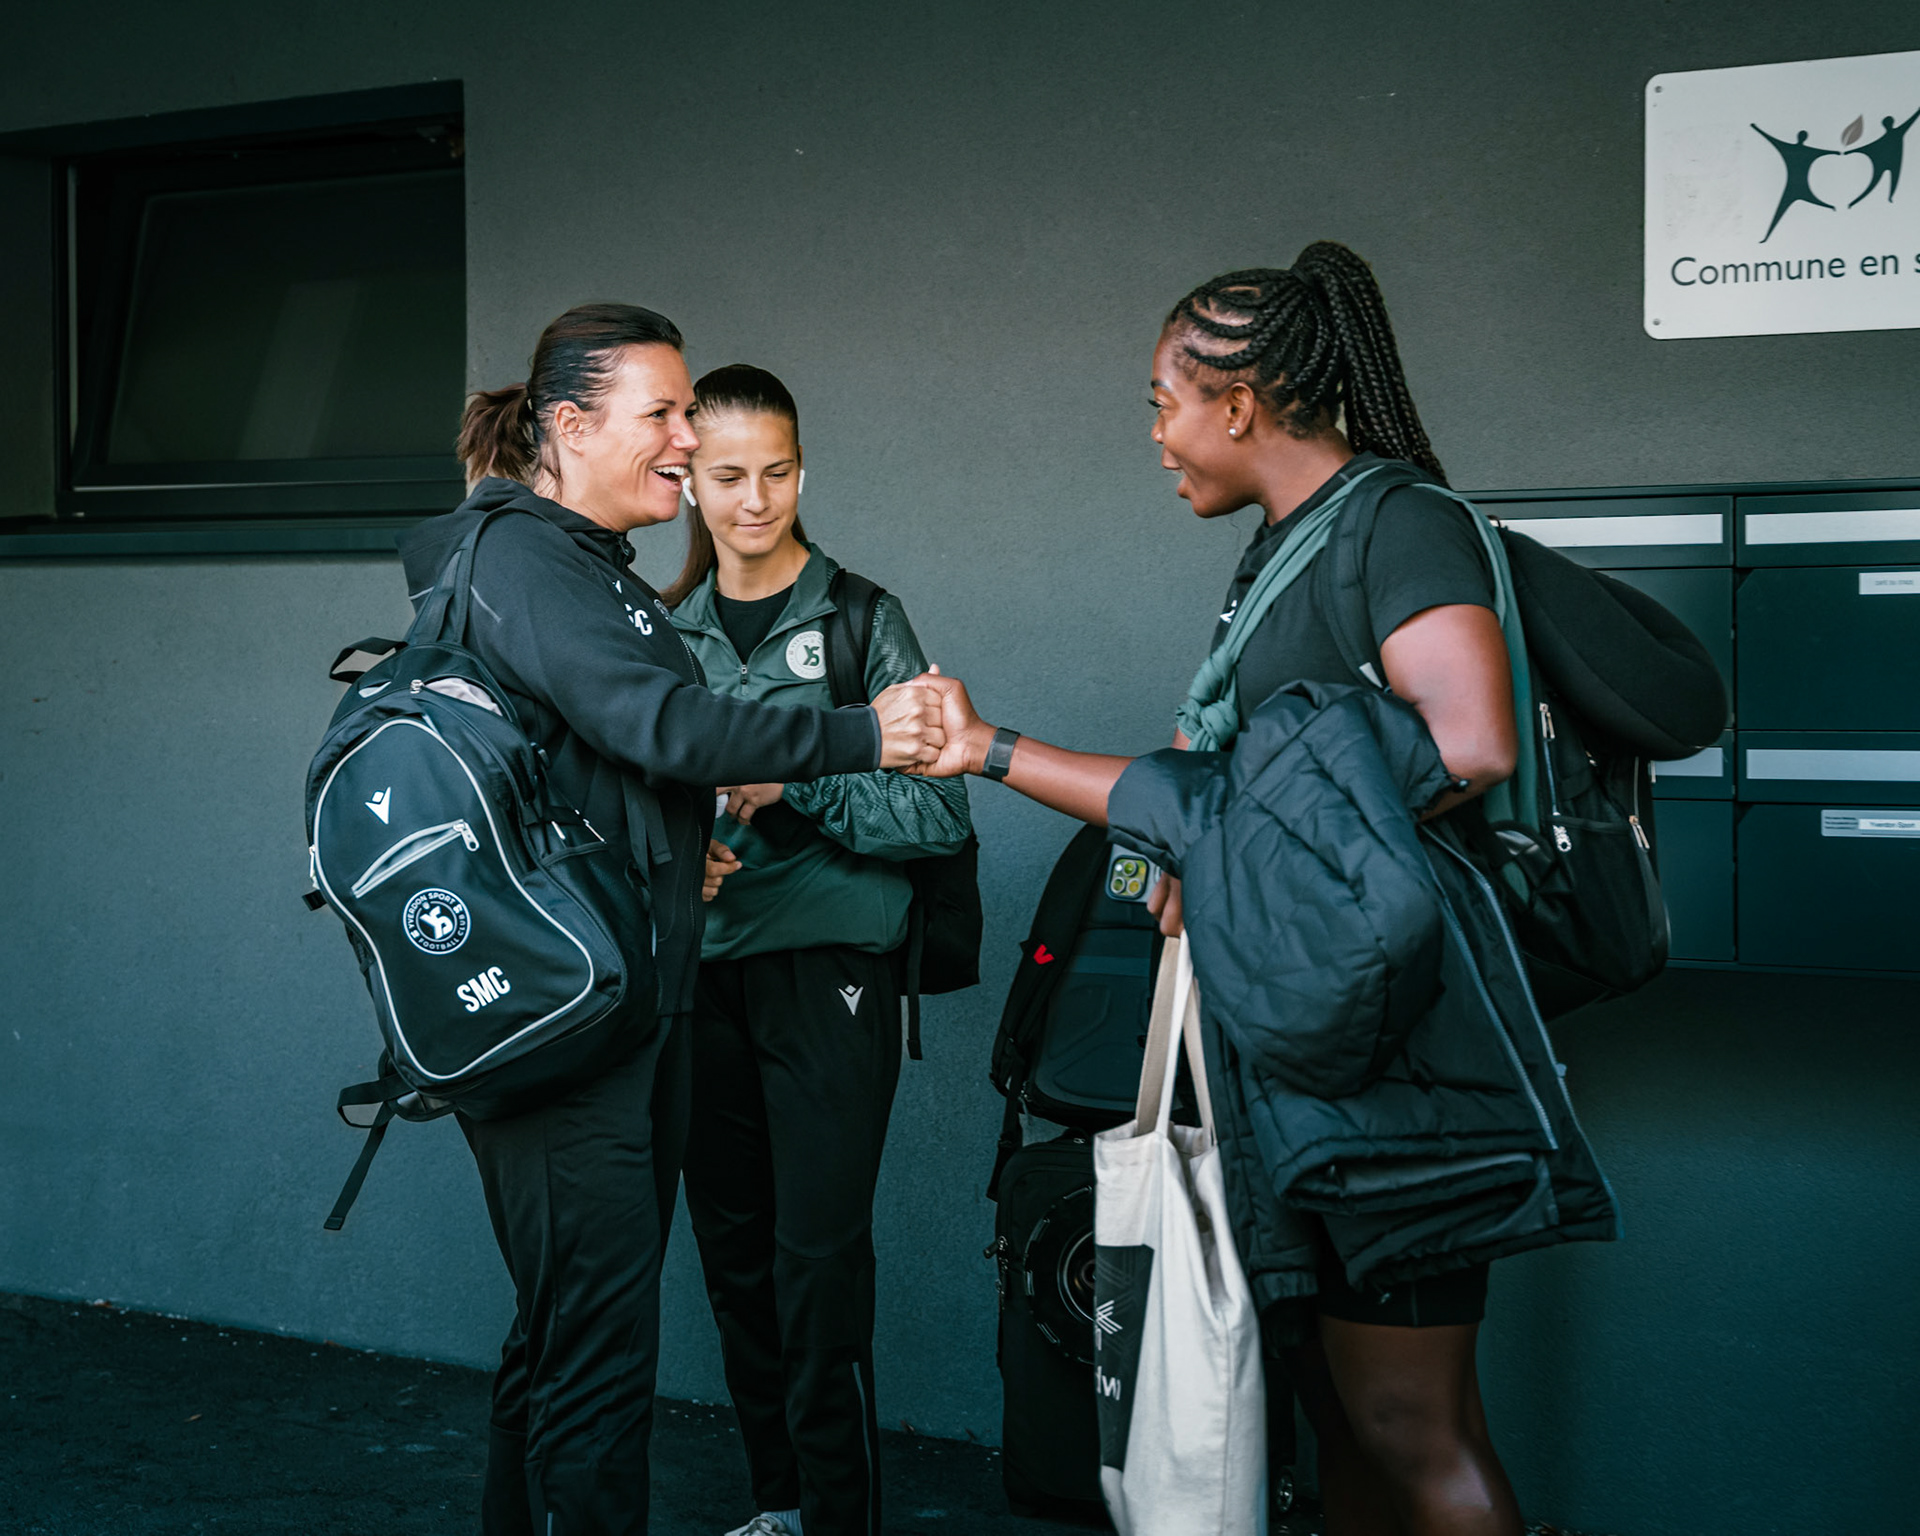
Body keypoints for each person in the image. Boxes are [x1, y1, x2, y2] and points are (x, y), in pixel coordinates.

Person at [913, 245, 1540, 1536]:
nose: (1156, 436)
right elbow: (1226, 793)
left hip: (1404, 1045)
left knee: (1412, 1425)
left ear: (1240, 404)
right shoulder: (1287, 547)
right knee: (1340, 1410)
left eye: (1163, 402)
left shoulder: (1397, 523)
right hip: (1310, 1037)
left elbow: (1472, 743)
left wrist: (1005, 753)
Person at [409, 304, 943, 1536]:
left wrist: (695, 849)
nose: (689, 445)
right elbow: (666, 732)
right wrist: (859, 738)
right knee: (601, 1357)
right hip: (590, 1032)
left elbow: (593, 782)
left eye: (699, 423)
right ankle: (765, 1503)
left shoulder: (595, 577)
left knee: (608, 1335)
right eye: (668, 419)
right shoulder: (537, 568)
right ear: (570, 424)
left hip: (690, 1004)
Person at [661, 365, 972, 1536]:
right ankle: (778, 1507)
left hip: (834, 973)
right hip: (701, 979)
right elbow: (631, 808)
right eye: (728, 476)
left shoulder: (860, 619)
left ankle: (841, 1518)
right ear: (686, 480)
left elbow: (940, 816)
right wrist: (688, 840)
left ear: (805, 471)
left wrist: (796, 781)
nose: (754, 500)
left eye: (777, 473)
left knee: (817, 1261)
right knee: (735, 1262)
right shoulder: (662, 633)